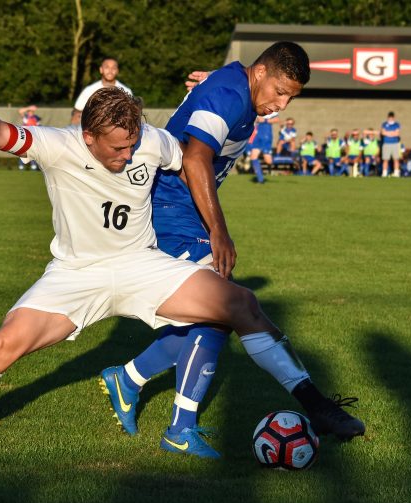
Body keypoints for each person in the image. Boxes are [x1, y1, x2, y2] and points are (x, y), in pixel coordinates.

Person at [0, 83, 364, 464]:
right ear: (88, 135)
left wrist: (213, 222)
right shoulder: (58, 144)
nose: (127, 157)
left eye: (132, 147)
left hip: (141, 264)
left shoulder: (149, 141)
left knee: (240, 304)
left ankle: (315, 403)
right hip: (75, 274)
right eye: (117, 149)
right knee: (1, 346)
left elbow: (190, 159)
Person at [98, 42, 363, 459]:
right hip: (170, 214)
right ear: (259, 73)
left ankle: (128, 380)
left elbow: (222, 98)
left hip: (186, 213)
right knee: (233, 308)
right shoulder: (229, 93)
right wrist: (219, 231)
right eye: (279, 91)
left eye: (291, 96)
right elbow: (196, 159)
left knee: (216, 318)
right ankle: (183, 427)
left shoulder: (236, 91)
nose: (281, 103)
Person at [70, 57, 132, 125]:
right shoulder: (89, 90)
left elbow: (131, 115)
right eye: (107, 67)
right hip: (93, 128)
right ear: (101, 69)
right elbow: (76, 112)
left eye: (113, 68)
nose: (110, 71)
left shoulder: (126, 91)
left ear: (117, 71)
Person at [249, 114, 279, 183]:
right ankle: (260, 179)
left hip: (266, 134)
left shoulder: (271, 109)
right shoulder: (257, 107)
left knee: (268, 161)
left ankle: (284, 160)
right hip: (257, 134)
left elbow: (277, 119)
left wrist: (265, 120)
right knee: (253, 157)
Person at [17, 105, 41, 170]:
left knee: (33, 152)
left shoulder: (36, 118)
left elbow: (39, 127)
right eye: (30, 111)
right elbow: (20, 111)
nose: (31, 112)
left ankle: (33, 166)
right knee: (23, 151)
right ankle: (21, 166)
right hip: (26, 137)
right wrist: (29, 107)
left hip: (34, 138)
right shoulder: (26, 118)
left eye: (32, 111)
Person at [380, 111, 401, 178]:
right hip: (386, 144)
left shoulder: (396, 124)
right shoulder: (384, 124)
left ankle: (396, 172)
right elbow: (383, 132)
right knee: (385, 159)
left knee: (396, 159)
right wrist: (392, 133)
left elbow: (397, 133)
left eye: (391, 117)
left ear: (393, 118)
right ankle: (384, 173)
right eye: (389, 117)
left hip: (395, 144)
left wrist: (388, 133)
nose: (390, 119)